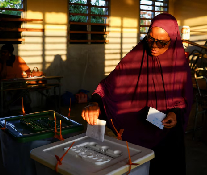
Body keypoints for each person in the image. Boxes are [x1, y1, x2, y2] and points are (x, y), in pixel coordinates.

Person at [81, 13, 193, 175]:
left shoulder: (179, 65)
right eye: (150, 39)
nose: (154, 46)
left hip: (167, 136)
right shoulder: (136, 56)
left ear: (173, 40)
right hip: (137, 132)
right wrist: (95, 103)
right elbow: (107, 87)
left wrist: (175, 113)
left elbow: (183, 99)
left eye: (161, 42)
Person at [0, 44, 32, 113]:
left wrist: (30, 74)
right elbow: (2, 76)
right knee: (9, 94)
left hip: (19, 84)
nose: (2, 53)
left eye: (5, 52)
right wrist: (4, 63)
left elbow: (27, 70)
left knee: (24, 91)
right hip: (6, 85)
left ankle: (28, 109)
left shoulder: (18, 59)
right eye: (1, 52)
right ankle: (6, 111)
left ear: (10, 53)